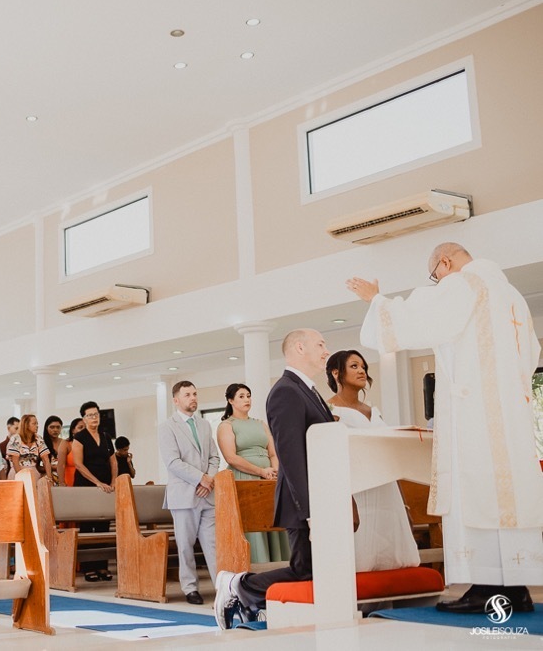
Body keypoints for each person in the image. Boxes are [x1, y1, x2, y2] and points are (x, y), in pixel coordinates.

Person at [349, 242, 543, 613]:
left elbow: (418, 319)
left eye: (435, 275)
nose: (437, 282)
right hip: (510, 417)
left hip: (477, 414)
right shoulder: (512, 296)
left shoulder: (465, 283)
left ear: (445, 261)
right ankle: (516, 589)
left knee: (477, 492)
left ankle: (488, 589)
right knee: (505, 496)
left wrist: (377, 301)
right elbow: (530, 354)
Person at [215, 328, 333, 628]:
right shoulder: (286, 391)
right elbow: (290, 456)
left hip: (320, 495)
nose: (326, 350)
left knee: (313, 570)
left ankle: (249, 596)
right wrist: (309, 511)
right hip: (303, 501)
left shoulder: (307, 389)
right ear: (299, 348)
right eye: (320, 344)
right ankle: (238, 585)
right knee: (304, 571)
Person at [325, 350, 419, 571]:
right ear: (336, 373)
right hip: (358, 489)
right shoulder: (329, 410)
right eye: (354, 366)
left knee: (393, 558)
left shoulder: (373, 411)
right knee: (363, 557)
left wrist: (404, 502)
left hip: (387, 489)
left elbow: (389, 454)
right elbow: (330, 457)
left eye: (364, 367)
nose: (362, 371)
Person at [158, 381, 220, 605]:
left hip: (207, 494)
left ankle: (222, 587)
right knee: (185, 546)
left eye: (194, 393)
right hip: (184, 495)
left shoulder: (204, 425)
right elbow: (173, 462)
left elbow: (214, 457)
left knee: (213, 545)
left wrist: (209, 479)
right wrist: (201, 478)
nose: (193, 398)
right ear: (176, 400)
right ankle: (190, 587)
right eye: (187, 395)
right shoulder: (167, 427)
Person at [216, 383, 289, 565]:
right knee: (253, 523)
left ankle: (280, 564)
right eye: (241, 396)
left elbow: (273, 453)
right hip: (245, 478)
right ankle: (256, 564)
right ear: (230, 400)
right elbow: (231, 457)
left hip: (270, 478)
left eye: (248, 395)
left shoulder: (260, 424)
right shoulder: (226, 426)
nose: (246, 399)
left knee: (273, 518)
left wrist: (275, 472)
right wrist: (260, 471)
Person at [72, 401, 117, 582]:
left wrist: (113, 481)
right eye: (90, 415)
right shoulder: (79, 437)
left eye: (96, 414)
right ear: (84, 418)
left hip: (105, 487)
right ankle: (88, 568)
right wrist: (97, 482)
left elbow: (113, 461)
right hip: (86, 486)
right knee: (87, 527)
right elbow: (78, 464)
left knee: (103, 526)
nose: (94, 418)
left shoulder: (105, 436)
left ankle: (102, 566)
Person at [42, 416, 66, 485]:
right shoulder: (41, 443)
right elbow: (37, 466)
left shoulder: (65, 443)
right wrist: (52, 468)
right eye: (52, 427)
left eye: (58, 427)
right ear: (46, 428)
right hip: (48, 479)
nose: (55, 430)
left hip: (64, 478)